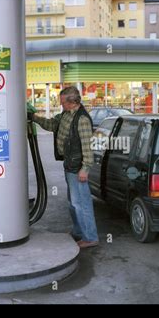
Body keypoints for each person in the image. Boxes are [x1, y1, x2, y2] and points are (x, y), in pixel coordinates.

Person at [28, 86, 99, 249]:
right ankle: (79, 232)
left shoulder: (82, 120)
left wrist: (85, 169)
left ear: (72, 102)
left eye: (63, 102)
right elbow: (52, 124)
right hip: (70, 164)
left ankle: (90, 237)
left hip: (77, 168)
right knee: (74, 203)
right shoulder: (66, 114)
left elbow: (87, 147)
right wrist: (34, 117)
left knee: (81, 203)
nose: (61, 105)